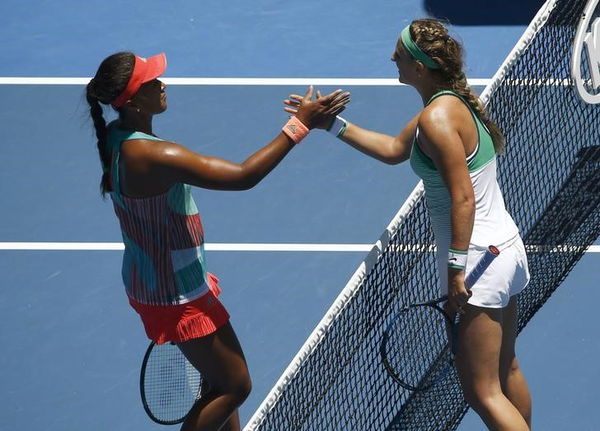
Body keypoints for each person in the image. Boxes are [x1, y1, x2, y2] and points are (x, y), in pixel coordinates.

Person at [285, 19, 532, 431]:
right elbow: (394, 150)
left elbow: (462, 198)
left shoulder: (435, 119)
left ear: (420, 66)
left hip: (476, 264)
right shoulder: (451, 102)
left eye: (398, 54)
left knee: (482, 392)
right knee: (505, 371)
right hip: (505, 248)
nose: (391, 59)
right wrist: (329, 124)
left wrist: (455, 272)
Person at [86, 51, 349, 431]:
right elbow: (242, 176)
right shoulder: (153, 154)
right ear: (133, 100)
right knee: (234, 385)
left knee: (216, 383)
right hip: (174, 293)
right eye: (152, 82)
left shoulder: (117, 137)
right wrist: (299, 125)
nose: (163, 84)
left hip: (157, 279)